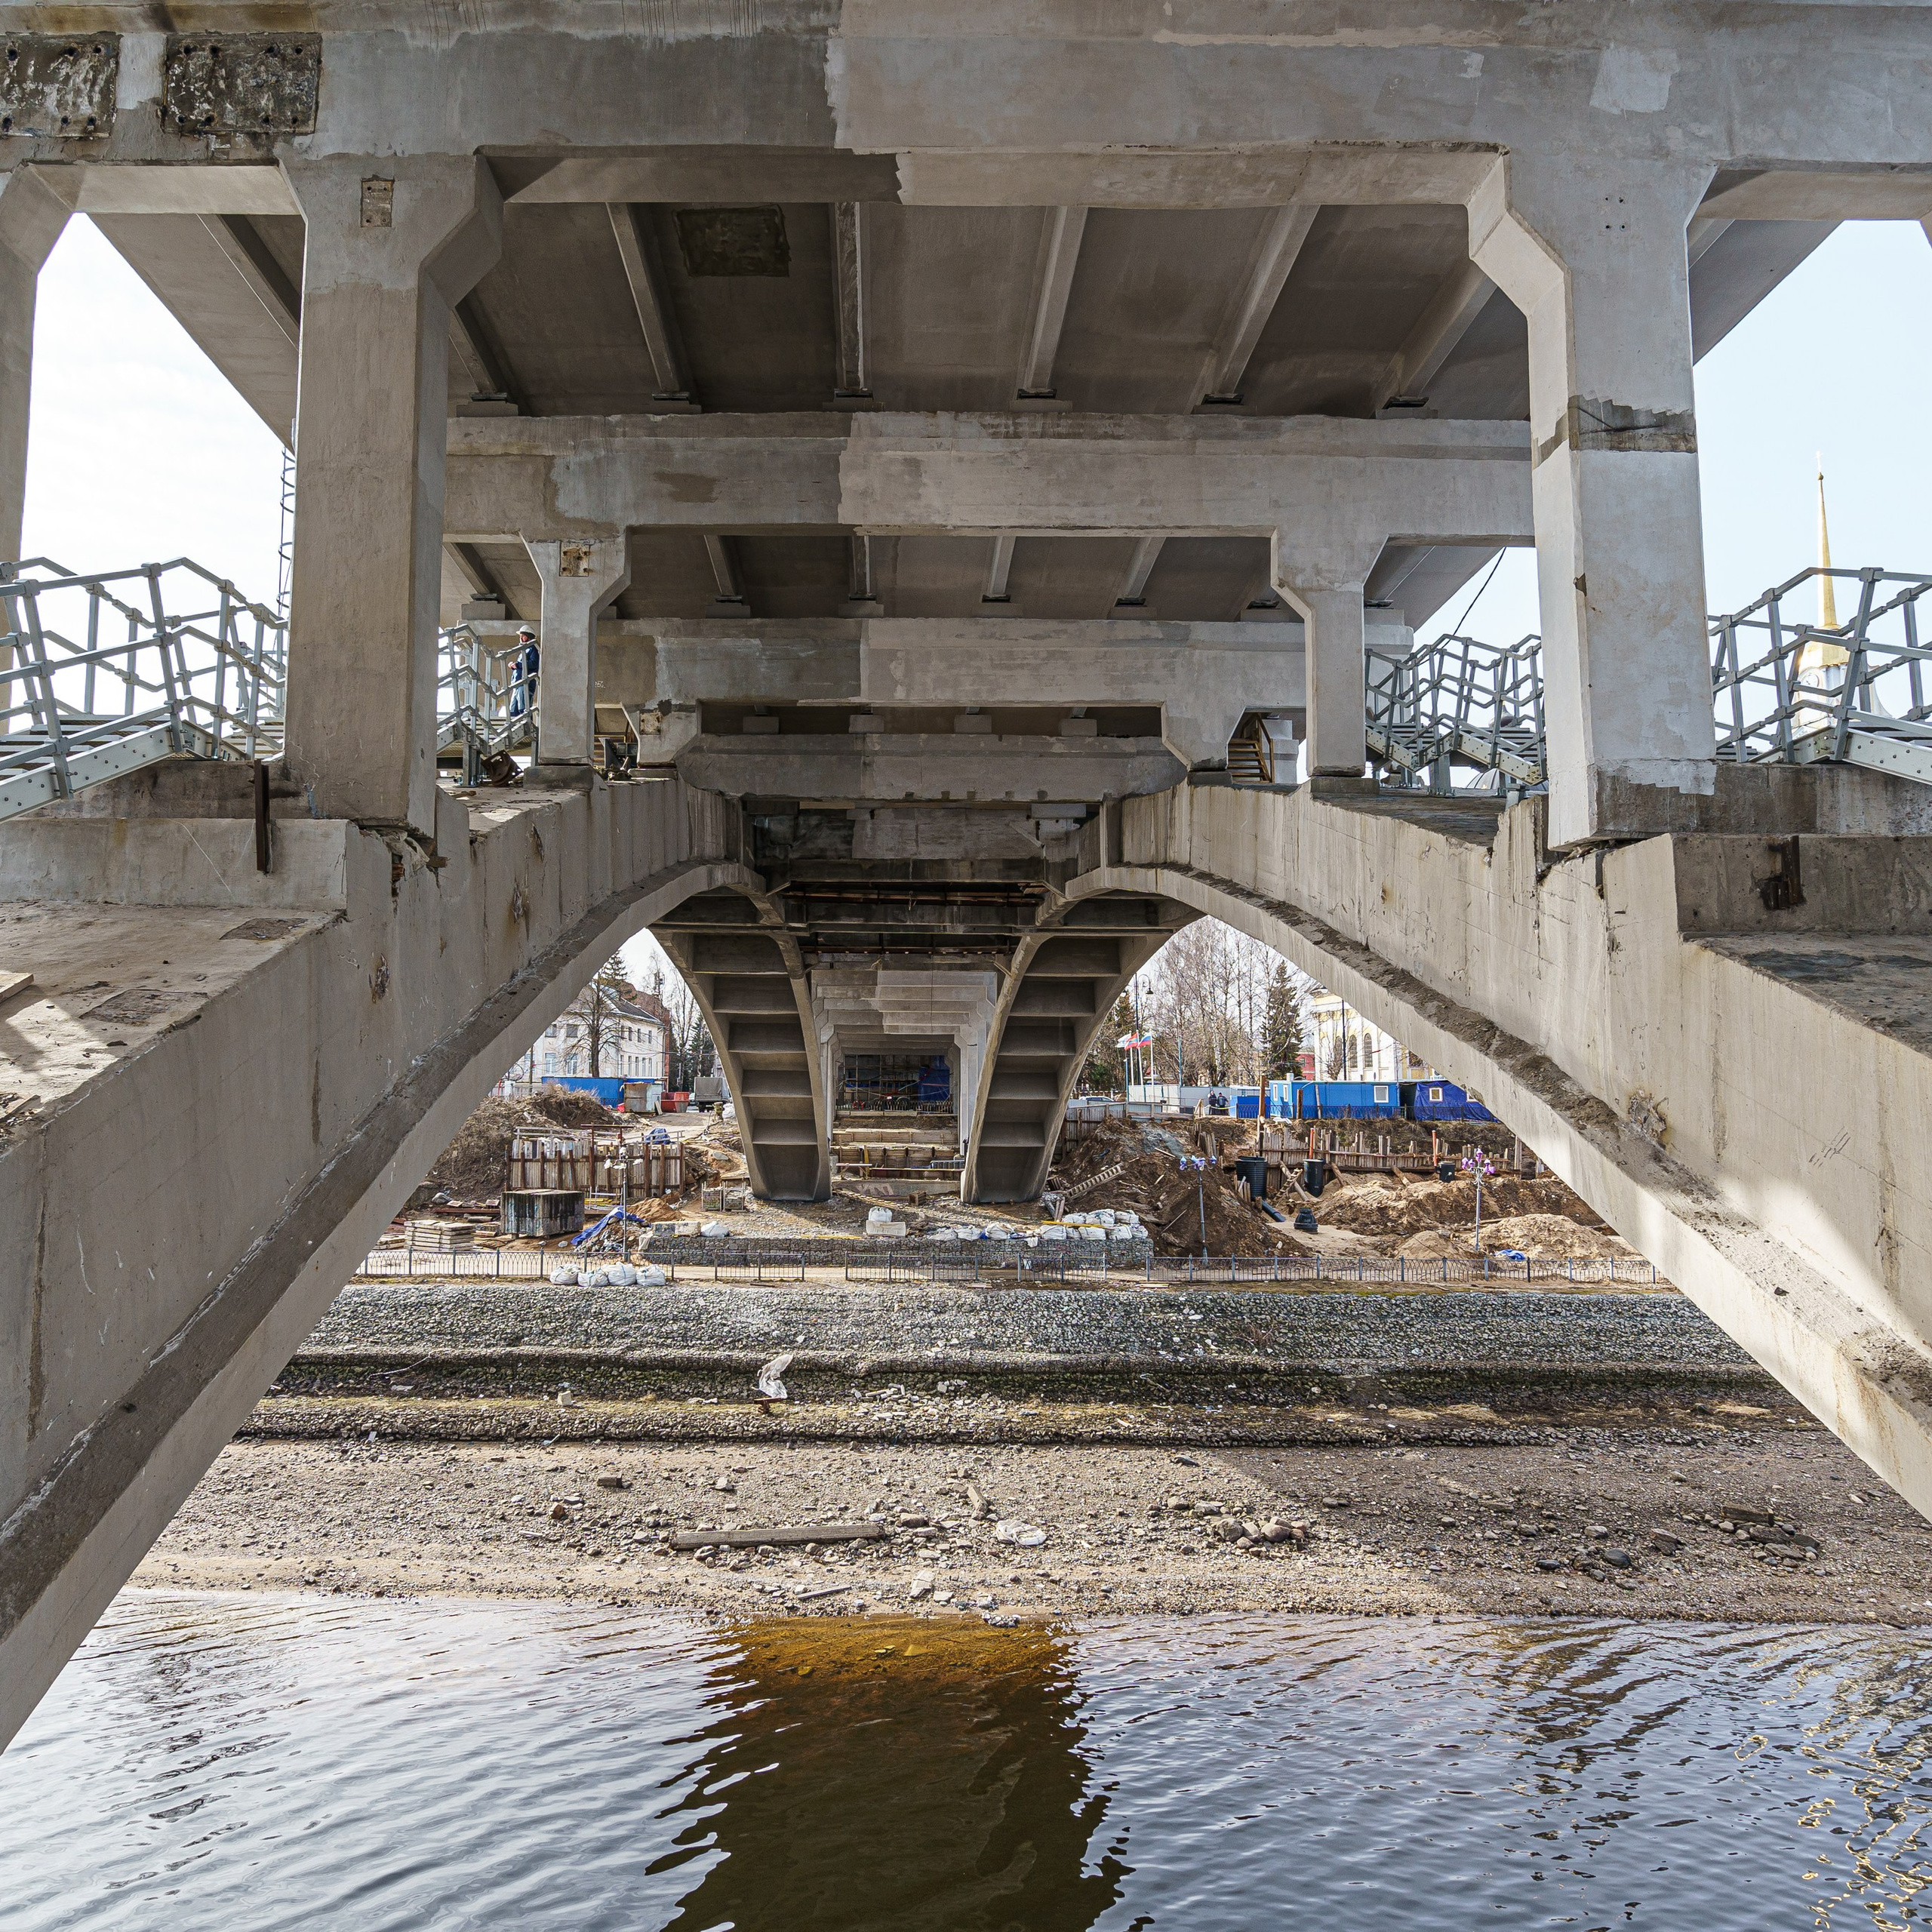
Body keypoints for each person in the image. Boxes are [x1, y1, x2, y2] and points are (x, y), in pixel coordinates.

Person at [508, 626, 540, 721]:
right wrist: (515, 666)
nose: (521, 638)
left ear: (529, 636)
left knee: (524, 707)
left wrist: (517, 665)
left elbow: (534, 663)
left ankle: (527, 726)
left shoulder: (533, 649)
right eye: (520, 636)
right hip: (518, 683)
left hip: (526, 683)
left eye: (523, 636)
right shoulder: (524, 650)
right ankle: (515, 725)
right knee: (513, 709)